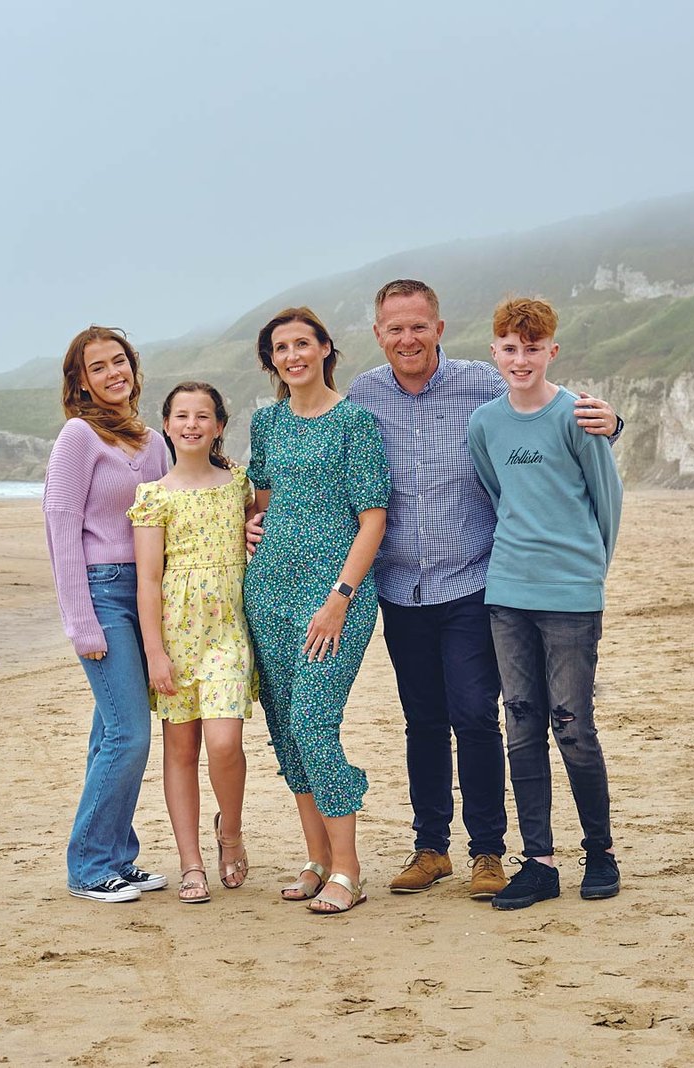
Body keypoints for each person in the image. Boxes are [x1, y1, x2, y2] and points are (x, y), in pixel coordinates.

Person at [330, 279, 619, 900]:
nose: (406, 338)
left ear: (439, 328)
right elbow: (332, 474)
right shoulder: (364, 394)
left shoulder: (480, 384)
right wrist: (257, 510)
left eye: (418, 326)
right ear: (378, 335)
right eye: (393, 329)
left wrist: (612, 422)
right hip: (400, 586)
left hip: (473, 581)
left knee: (476, 717)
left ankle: (487, 850)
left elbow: (538, 411)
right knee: (423, 722)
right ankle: (430, 847)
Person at [467, 295, 622, 909]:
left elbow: (606, 501)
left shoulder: (577, 415)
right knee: (522, 724)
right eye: (510, 348)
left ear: (551, 350)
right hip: (507, 593)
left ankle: (600, 851)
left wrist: (589, 574)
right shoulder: (486, 423)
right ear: (495, 353)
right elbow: (496, 488)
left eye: (533, 348)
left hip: (571, 594)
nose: (521, 358)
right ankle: (539, 861)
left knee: (573, 725)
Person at [244, 307, 390, 915]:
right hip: (269, 592)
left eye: (303, 343)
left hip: (334, 597)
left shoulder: (354, 422)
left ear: (326, 348)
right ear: (272, 359)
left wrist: (340, 598)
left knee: (312, 722)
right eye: (281, 347)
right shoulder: (266, 424)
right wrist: (252, 526)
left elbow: (373, 518)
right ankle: (317, 859)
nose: (292, 355)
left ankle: (349, 871)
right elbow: (263, 501)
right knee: (287, 732)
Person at [43, 325, 172, 903]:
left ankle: (119, 854)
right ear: (82, 382)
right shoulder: (79, 436)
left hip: (148, 595)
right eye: (99, 367)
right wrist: (79, 621)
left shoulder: (152, 441)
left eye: (119, 361)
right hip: (100, 592)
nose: (113, 373)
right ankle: (90, 865)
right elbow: (62, 524)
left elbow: (175, 513)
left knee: (109, 735)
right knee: (128, 735)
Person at [129, 382, 259, 904]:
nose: (191, 424)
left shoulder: (239, 485)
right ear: (166, 425)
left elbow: (265, 529)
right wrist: (154, 652)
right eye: (181, 415)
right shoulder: (152, 496)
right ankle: (190, 862)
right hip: (176, 636)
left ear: (219, 425)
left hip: (228, 631)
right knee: (180, 751)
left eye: (202, 416)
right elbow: (148, 581)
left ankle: (230, 833)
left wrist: (260, 530)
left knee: (225, 742)